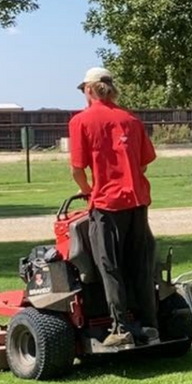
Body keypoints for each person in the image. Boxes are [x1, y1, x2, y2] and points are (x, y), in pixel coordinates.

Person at [68, 66, 160, 347]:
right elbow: (144, 161)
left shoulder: (82, 121)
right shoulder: (130, 119)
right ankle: (150, 325)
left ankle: (121, 328)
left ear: (90, 89)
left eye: (84, 89)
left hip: (107, 204)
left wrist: (87, 191)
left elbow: (77, 169)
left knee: (109, 266)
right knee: (140, 265)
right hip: (137, 202)